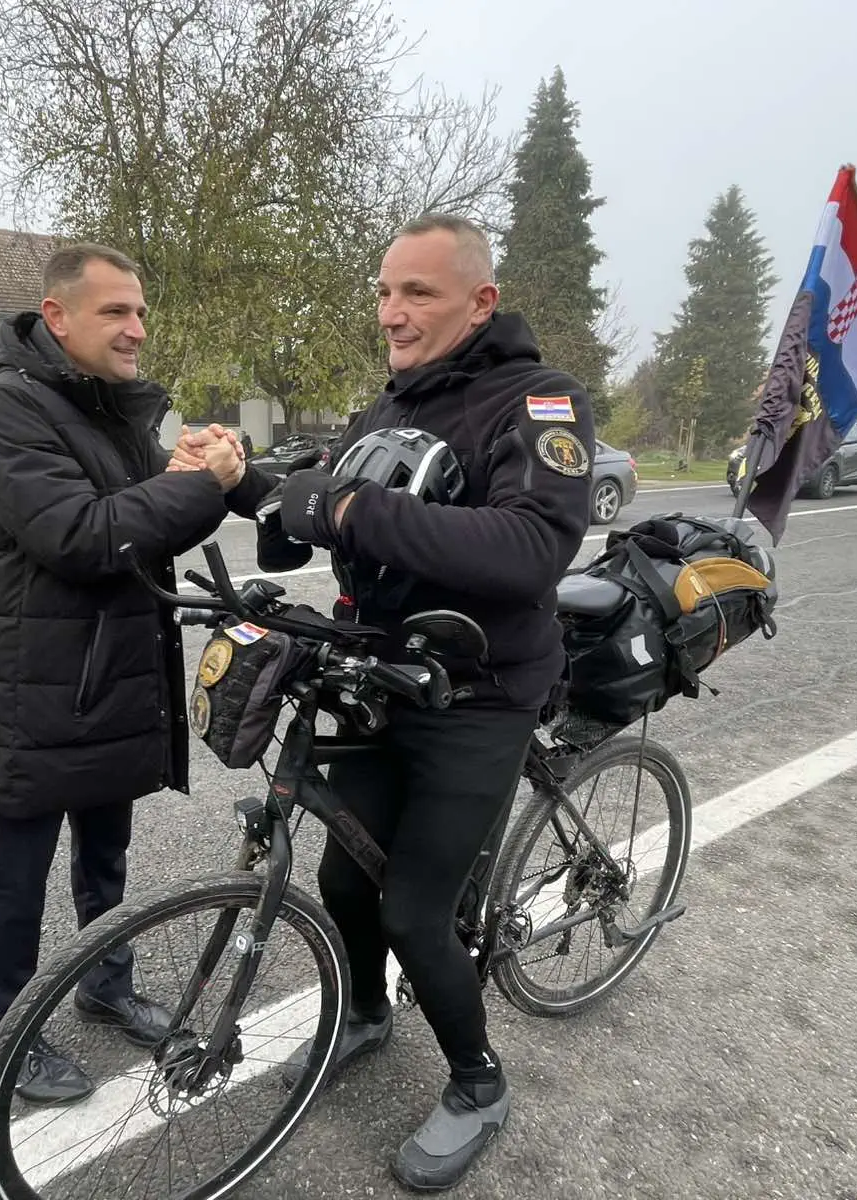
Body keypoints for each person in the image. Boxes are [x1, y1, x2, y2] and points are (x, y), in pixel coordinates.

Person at [174, 213, 596, 1191]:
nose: (392, 313)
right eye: (383, 291)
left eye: (417, 294)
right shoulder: (386, 408)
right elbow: (317, 502)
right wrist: (249, 485)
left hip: (478, 692)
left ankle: (478, 1080)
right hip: (379, 675)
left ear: (479, 301)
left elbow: (532, 545)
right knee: (342, 884)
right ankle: (363, 1014)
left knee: (413, 909)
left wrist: (358, 508)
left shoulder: (536, 403)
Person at [0, 242, 246, 1103]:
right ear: (56, 318)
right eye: (116, 312)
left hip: (111, 676)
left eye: (141, 312)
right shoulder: (6, 410)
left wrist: (191, 470)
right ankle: (8, 1033)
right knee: (19, 873)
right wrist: (199, 489)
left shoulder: (112, 409)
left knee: (107, 857)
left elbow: (140, 518)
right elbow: (83, 534)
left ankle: (106, 981)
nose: (137, 329)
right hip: (34, 688)